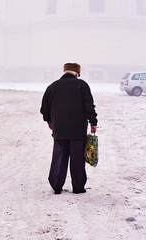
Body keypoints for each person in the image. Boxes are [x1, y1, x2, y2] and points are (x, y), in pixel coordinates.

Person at [40, 63, 98, 194]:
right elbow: (89, 107)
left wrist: (49, 121)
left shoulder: (52, 86)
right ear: (76, 73)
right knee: (77, 160)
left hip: (59, 130)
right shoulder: (82, 85)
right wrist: (93, 122)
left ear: (65, 71)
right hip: (78, 131)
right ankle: (78, 188)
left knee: (59, 159)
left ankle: (56, 186)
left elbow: (44, 108)